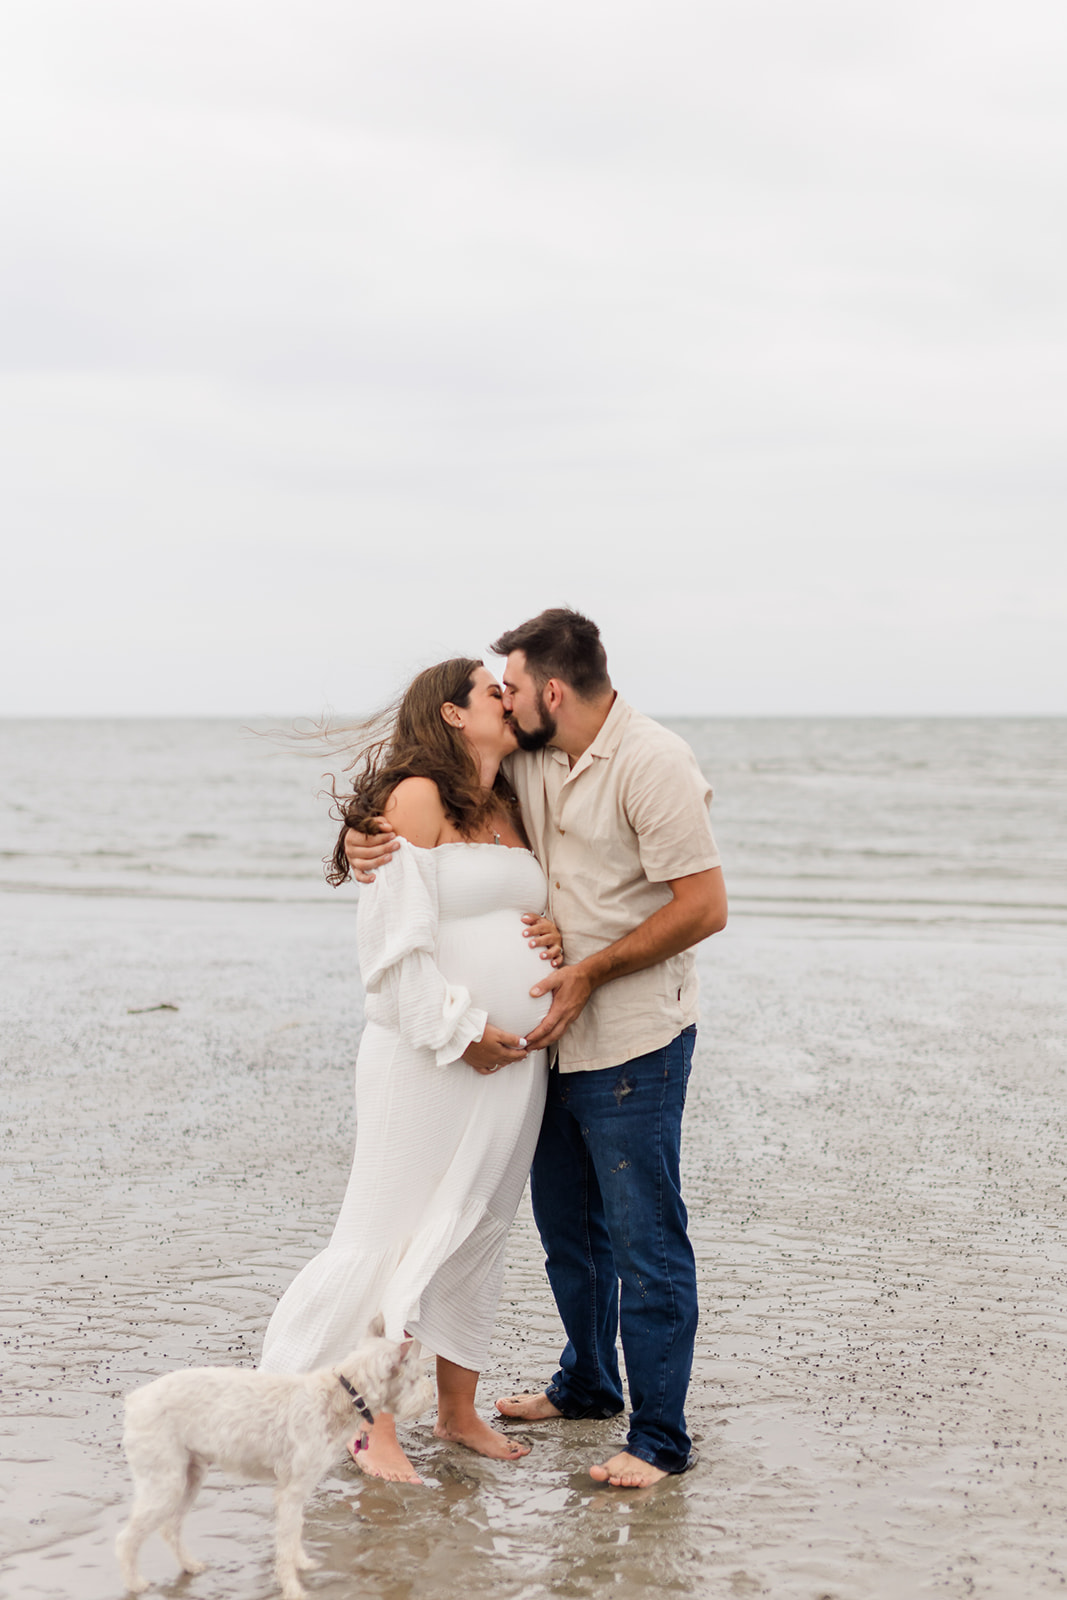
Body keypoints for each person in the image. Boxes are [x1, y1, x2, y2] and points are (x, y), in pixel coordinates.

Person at [347, 609, 727, 1489]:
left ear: (550, 691)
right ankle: (587, 1383)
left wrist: (587, 969)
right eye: (495, 693)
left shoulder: (652, 762)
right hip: (530, 1051)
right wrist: (358, 839)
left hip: (630, 1038)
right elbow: (410, 816)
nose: (504, 702)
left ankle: (658, 1441)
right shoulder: (521, 761)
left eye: (509, 687)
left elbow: (704, 907)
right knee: (564, 1234)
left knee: (642, 1240)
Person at [260, 658, 562, 1484]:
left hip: (512, 1064)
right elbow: (393, 949)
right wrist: (463, 1031)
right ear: (453, 714)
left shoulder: (511, 799)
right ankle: (367, 1422)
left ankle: (459, 1412)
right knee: (391, 1231)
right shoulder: (415, 797)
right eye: (492, 690)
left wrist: (554, 937)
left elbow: (521, 906)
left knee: (477, 1228)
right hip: (429, 1055)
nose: (509, 698)